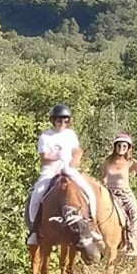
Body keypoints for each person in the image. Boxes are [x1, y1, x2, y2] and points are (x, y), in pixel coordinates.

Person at [26, 104, 99, 246]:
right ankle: (34, 231)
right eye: (59, 120)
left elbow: (77, 151)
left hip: (69, 168)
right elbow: (43, 158)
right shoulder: (45, 137)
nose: (62, 124)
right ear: (53, 121)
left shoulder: (70, 134)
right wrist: (56, 156)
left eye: (65, 121)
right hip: (51, 170)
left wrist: (75, 160)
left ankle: (92, 224)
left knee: (89, 192)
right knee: (37, 196)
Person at [100, 133, 137, 255]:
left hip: (124, 194)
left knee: (134, 215)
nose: (121, 147)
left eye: (124, 145)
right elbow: (103, 178)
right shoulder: (107, 161)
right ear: (115, 146)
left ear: (128, 148)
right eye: (119, 145)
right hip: (110, 193)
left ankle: (131, 243)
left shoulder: (130, 162)